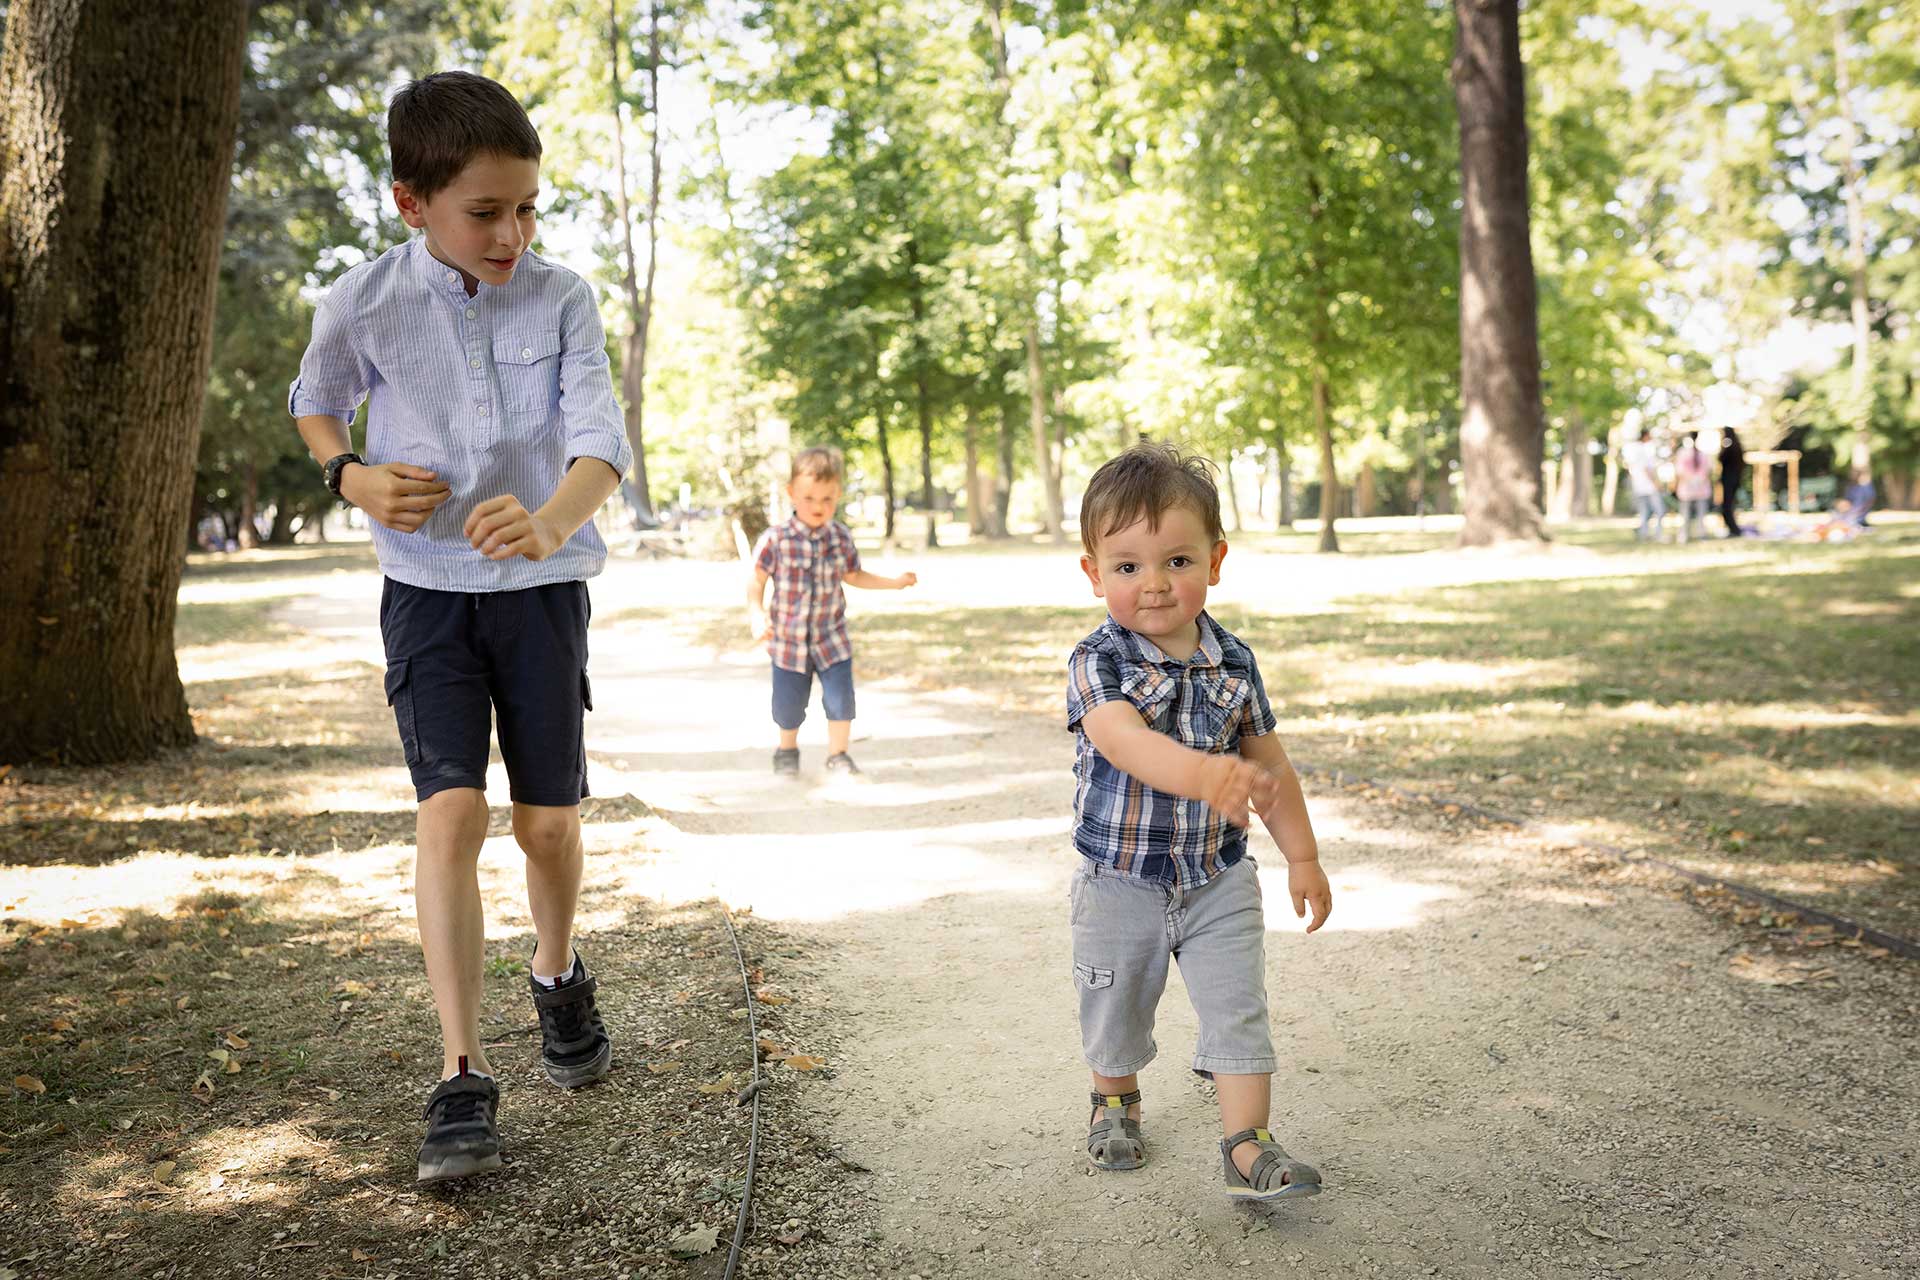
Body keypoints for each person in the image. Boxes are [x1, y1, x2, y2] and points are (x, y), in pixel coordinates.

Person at [288, 71, 633, 1183]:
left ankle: (558, 968)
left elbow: (601, 445)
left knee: (544, 825)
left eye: (528, 207)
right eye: (485, 211)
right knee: (452, 811)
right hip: (426, 590)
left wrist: (546, 521)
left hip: (541, 593)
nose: (512, 232)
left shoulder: (565, 296)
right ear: (411, 204)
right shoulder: (360, 301)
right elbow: (315, 396)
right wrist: (351, 475)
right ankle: (460, 1074)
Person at [1066, 443, 1333, 1202]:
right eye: (1126, 566)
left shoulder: (1236, 663)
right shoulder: (1099, 662)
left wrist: (1303, 856)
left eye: (1177, 560)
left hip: (1218, 879)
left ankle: (1248, 1144)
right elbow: (1125, 741)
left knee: (1236, 1007)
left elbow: (1271, 767)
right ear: (1094, 573)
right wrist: (1206, 773)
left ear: (1215, 561)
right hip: (1121, 881)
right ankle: (1114, 1101)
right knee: (1114, 1001)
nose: (1153, 583)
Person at [747, 446, 916, 777]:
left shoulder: (840, 537)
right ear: (792, 493)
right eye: (809, 498)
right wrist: (756, 613)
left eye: (827, 499)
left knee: (841, 701)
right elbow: (756, 580)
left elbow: (853, 575)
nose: (818, 507)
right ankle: (787, 749)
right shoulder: (776, 539)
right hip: (788, 643)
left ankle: (838, 755)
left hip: (832, 639)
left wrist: (893, 583)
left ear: (838, 494)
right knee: (788, 707)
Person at [1621, 427, 1667, 542]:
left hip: (1639, 486)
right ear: (1645, 435)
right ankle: (1657, 535)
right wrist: (1656, 483)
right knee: (1660, 510)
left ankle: (1643, 534)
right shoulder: (1643, 450)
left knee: (1644, 512)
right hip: (1649, 486)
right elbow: (1647, 469)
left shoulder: (1632, 450)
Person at [1673, 431, 1713, 543]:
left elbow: (1679, 471)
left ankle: (1688, 535)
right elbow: (1708, 471)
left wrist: (1692, 480)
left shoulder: (1691, 453)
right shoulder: (1701, 454)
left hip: (1692, 488)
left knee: (1688, 513)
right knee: (1696, 513)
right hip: (1695, 488)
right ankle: (1694, 535)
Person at [1717, 426, 1746, 537]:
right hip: (1735, 479)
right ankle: (1733, 529)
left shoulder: (1728, 445)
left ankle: (1734, 529)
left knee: (1726, 506)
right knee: (1729, 505)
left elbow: (1721, 458)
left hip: (1729, 480)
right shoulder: (1737, 446)